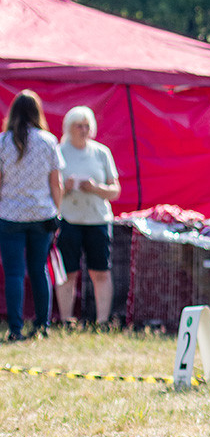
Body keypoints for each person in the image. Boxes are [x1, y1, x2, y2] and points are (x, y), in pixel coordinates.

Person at [0, 90, 64, 341]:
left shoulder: (3, 142)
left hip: (10, 216)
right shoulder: (48, 141)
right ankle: (43, 325)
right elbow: (56, 183)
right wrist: (57, 212)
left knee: (14, 273)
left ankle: (15, 328)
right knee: (39, 270)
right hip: (41, 215)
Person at [54, 106, 121, 327]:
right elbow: (50, 192)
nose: (83, 130)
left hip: (98, 220)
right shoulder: (59, 152)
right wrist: (67, 187)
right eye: (78, 126)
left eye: (86, 126)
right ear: (69, 128)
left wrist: (95, 188)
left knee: (100, 271)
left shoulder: (101, 152)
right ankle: (66, 320)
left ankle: (102, 321)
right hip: (69, 220)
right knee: (68, 272)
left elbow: (115, 190)